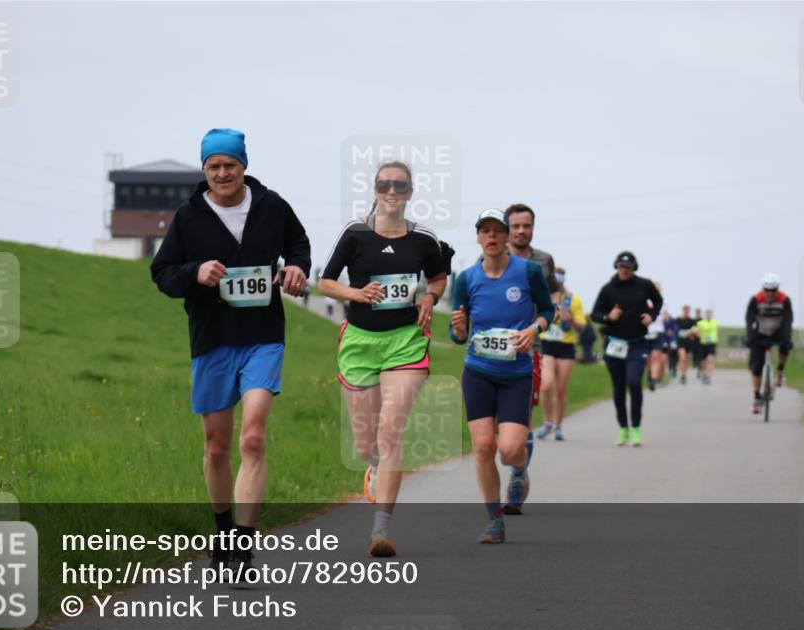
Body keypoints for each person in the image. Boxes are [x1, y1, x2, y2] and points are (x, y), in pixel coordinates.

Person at [151, 128, 310, 571]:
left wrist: (296, 267)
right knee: (217, 446)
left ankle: (242, 540)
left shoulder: (272, 206)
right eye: (214, 166)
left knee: (253, 436)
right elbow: (162, 272)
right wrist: (194, 271)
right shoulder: (189, 216)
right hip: (212, 338)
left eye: (230, 165)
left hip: (263, 335)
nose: (223, 173)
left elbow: (298, 244)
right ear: (204, 170)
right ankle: (222, 529)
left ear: (244, 165)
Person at [318, 160, 448, 558]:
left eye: (400, 185)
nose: (392, 191)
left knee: (391, 432)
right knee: (365, 445)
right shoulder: (355, 232)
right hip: (359, 341)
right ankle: (373, 468)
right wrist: (356, 294)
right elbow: (324, 281)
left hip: (405, 342)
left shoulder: (424, 238)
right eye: (384, 184)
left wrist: (429, 296)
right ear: (375, 189)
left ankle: (380, 530)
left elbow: (439, 277)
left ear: (410, 193)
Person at [451, 209, 553, 541]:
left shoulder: (529, 271)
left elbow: (547, 310)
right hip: (478, 372)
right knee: (483, 447)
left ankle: (519, 470)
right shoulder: (466, 278)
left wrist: (534, 329)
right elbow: (458, 335)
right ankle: (494, 520)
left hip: (516, 374)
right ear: (478, 237)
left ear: (507, 236)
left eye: (498, 231)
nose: (492, 237)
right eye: (485, 231)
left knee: (509, 450)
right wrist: (458, 330)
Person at [504, 203, 558, 478]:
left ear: (533, 228)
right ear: (507, 229)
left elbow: (554, 293)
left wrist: (553, 311)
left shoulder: (543, 260)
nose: (522, 231)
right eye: (516, 226)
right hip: (494, 349)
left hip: (529, 349)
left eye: (526, 226)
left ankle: (518, 474)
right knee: (492, 426)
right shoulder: (490, 258)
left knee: (521, 419)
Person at [590, 251, 663, 447]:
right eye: (621, 266)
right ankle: (623, 427)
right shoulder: (608, 289)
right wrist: (608, 317)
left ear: (634, 268)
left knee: (634, 382)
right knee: (619, 387)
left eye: (628, 267)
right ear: (616, 266)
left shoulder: (644, 285)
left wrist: (651, 315)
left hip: (637, 343)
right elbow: (595, 314)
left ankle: (636, 428)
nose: (624, 270)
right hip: (614, 344)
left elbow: (658, 301)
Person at [534, 267, 586, 441]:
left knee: (561, 390)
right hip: (547, 344)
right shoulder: (543, 296)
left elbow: (582, 326)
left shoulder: (574, 300)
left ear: (563, 280)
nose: (557, 283)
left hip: (566, 346)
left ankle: (558, 426)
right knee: (546, 384)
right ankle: (547, 420)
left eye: (559, 279)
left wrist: (570, 319)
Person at [745, 273, 794, 413]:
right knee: (757, 366)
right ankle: (756, 397)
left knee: (785, 344)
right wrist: (749, 337)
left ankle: (780, 370)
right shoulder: (756, 299)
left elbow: (788, 320)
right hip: (760, 332)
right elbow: (749, 320)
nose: (770, 293)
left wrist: (787, 337)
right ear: (763, 289)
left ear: (778, 289)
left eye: (773, 290)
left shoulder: (784, 300)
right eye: (767, 290)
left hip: (777, 330)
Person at [645, 282, 666, 391]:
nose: (657, 291)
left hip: (658, 332)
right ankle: (651, 373)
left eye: (659, 289)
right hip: (647, 332)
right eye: (655, 289)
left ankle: (653, 379)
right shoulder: (646, 301)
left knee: (656, 356)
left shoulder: (663, 302)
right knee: (649, 358)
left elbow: (666, 317)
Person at [673, 305, 698, 384]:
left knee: (686, 359)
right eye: (685, 310)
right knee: (682, 356)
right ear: (683, 310)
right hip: (680, 342)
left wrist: (692, 333)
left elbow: (695, 332)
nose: (687, 312)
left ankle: (684, 374)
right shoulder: (678, 320)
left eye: (688, 310)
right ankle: (681, 374)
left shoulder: (692, 321)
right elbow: (675, 331)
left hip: (689, 343)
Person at [696, 308, 720, 384]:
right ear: (705, 314)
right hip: (703, 344)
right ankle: (703, 373)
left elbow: (717, 332)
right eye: (707, 313)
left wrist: (715, 338)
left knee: (710, 359)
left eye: (710, 313)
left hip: (712, 343)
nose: (709, 314)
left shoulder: (715, 322)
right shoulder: (700, 323)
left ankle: (708, 376)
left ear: (712, 314)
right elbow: (697, 332)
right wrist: (699, 334)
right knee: (703, 362)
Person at [662, 310, 679, 378]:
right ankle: (668, 369)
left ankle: (673, 367)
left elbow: (675, 329)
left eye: (666, 315)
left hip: (672, 341)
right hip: (664, 341)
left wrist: (671, 331)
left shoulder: (672, 321)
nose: (665, 316)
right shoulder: (661, 323)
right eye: (664, 315)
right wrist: (666, 332)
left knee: (674, 354)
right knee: (666, 355)